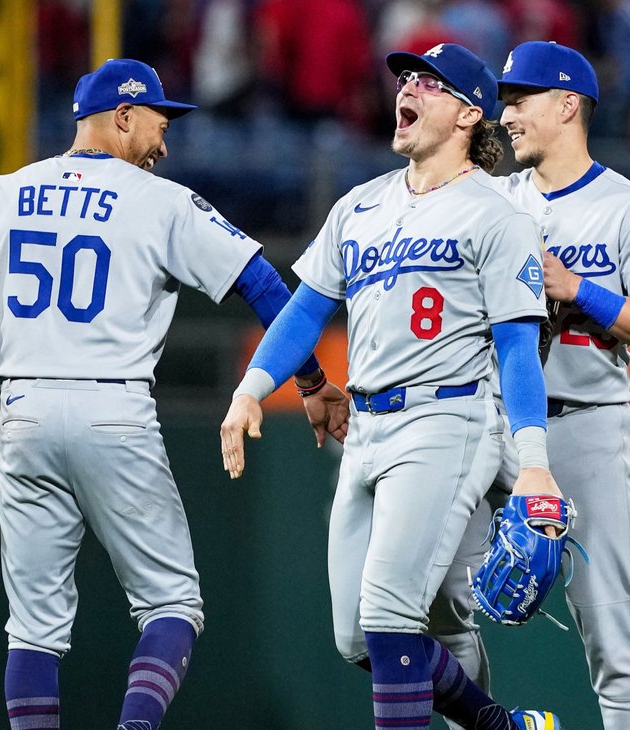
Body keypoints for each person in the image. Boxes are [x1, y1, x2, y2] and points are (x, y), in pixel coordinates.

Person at [0, 58, 347, 730]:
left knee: (33, 632)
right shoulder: (158, 201)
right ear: (123, 116)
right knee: (172, 607)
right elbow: (268, 290)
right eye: (159, 123)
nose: (165, 142)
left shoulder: (2, 193)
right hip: (114, 410)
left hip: (22, 415)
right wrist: (309, 380)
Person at [220, 43, 563, 730]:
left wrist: (534, 464)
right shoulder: (360, 206)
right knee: (358, 639)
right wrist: (251, 388)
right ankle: (504, 726)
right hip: (366, 428)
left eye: (427, 83)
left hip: (447, 420)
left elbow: (517, 347)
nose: (405, 87)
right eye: (403, 78)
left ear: (470, 113)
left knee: (386, 617)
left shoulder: (499, 213)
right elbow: (307, 307)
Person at [494, 41, 630, 729]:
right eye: (504, 101)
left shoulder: (629, 210)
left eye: (520, 100)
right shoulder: (493, 202)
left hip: (585, 422)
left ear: (567, 103)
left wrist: (579, 289)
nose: (507, 114)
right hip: (491, 424)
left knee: (611, 630)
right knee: (436, 608)